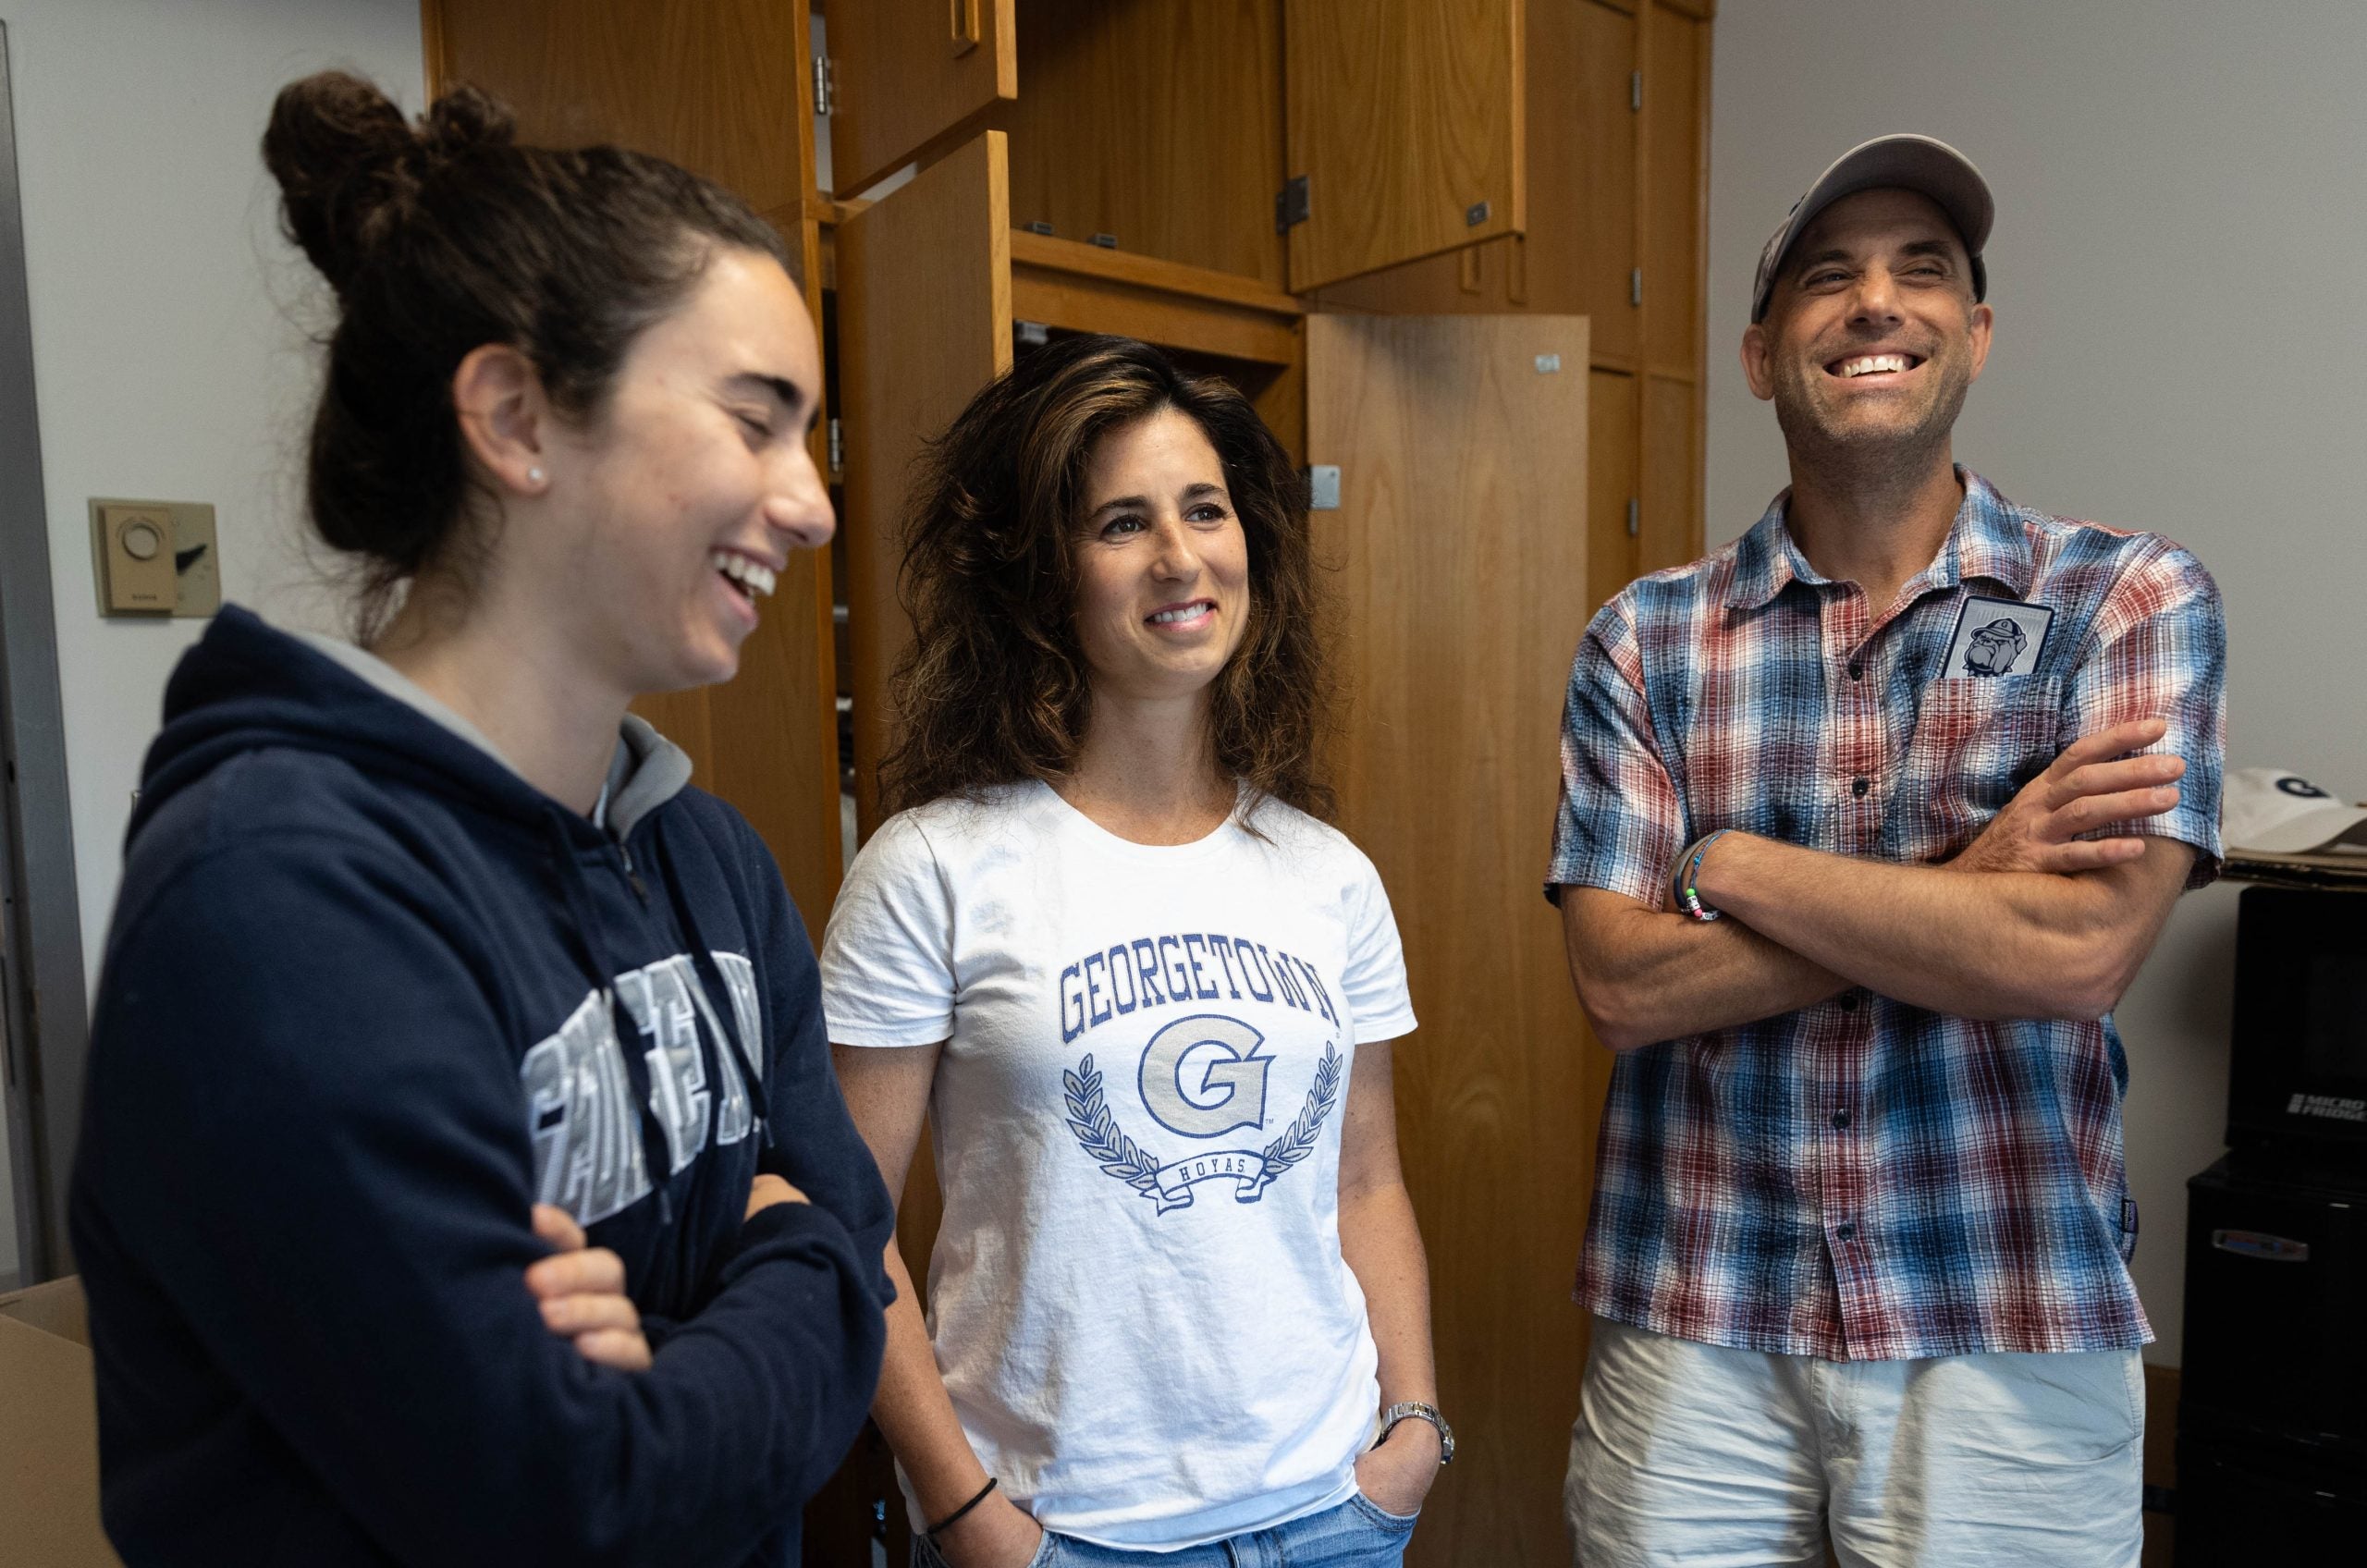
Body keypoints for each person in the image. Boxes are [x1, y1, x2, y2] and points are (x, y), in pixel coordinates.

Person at [68, 73, 892, 1566]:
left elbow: (858, 1248)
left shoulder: (707, 859)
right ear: (516, 417)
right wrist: (785, 1249)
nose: (815, 502)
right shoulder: (274, 898)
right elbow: (560, 1499)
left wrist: (779, 1268)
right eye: (758, 421)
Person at [1550, 136, 2225, 1566]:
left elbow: (2076, 950)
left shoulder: (2126, 599)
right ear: (1757, 353)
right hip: (1695, 1326)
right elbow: (1623, 990)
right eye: (1827, 279)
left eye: (1924, 272)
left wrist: (1728, 861)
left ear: (1975, 335)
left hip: (2008, 1321)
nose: (1876, 305)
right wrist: (1970, 884)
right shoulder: (1644, 640)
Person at [821, 335, 1448, 1567]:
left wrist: (1412, 1427)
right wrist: (961, 1508)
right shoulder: (933, 866)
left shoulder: (1327, 874)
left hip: (1332, 1512)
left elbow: (1365, 1181)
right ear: (1045, 574)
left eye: (1204, 509)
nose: (1179, 556)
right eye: (1121, 522)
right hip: (1067, 1531)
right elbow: (846, 1222)